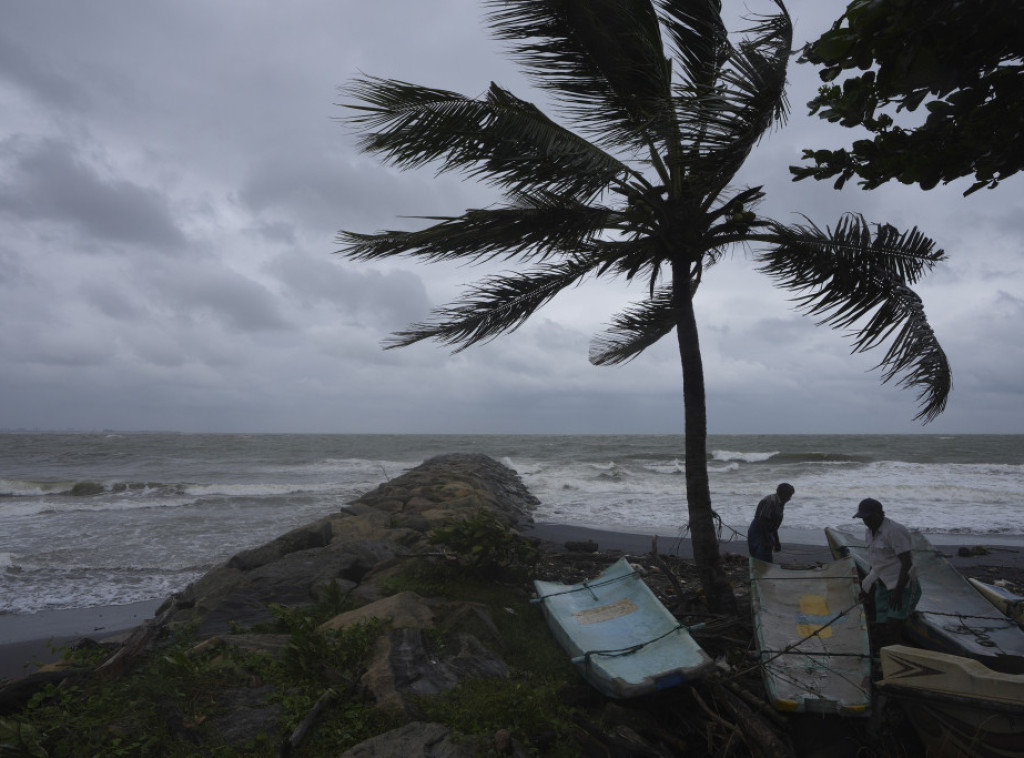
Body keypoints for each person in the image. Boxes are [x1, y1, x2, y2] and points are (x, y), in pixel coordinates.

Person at [854, 497, 922, 644]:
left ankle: (899, 657)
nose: (865, 521)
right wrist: (867, 587)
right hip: (883, 584)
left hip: (904, 586)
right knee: (880, 626)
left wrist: (898, 592)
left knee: (893, 627)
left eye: (868, 517)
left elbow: (907, 563)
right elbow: (875, 563)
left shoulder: (895, 531)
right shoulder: (868, 532)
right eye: (863, 518)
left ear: (879, 514)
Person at [747, 483, 795, 562]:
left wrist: (777, 541)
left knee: (766, 555)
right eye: (789, 495)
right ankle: (760, 572)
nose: (789, 498)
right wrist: (766, 540)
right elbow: (762, 521)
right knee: (761, 556)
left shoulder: (780, 503)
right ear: (783, 494)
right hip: (759, 529)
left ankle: (762, 572)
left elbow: (773, 524)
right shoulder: (770, 501)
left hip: (768, 530)